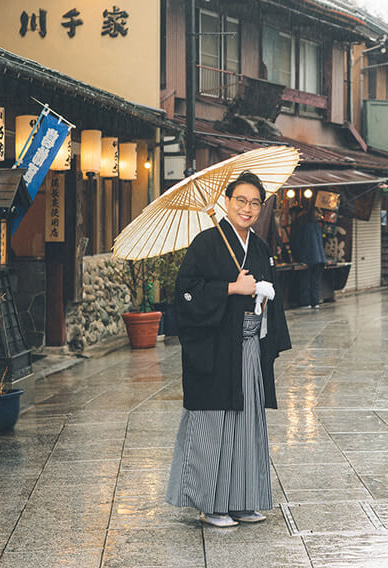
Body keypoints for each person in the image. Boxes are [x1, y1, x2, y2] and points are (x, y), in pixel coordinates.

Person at [165, 171, 291, 528]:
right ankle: (211, 504)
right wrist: (231, 290)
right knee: (214, 426)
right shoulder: (206, 243)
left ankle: (242, 500)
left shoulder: (262, 247)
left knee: (247, 425)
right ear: (226, 202)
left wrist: (265, 300)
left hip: (249, 348)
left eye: (254, 203)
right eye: (241, 201)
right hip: (216, 350)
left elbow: (268, 301)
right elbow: (186, 295)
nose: (247, 209)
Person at [290, 205, 326, 308]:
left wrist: (299, 258)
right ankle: (315, 301)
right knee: (316, 281)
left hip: (308, 257)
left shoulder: (302, 225)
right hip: (320, 258)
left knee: (305, 280)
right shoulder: (316, 225)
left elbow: (300, 243)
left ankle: (306, 302)